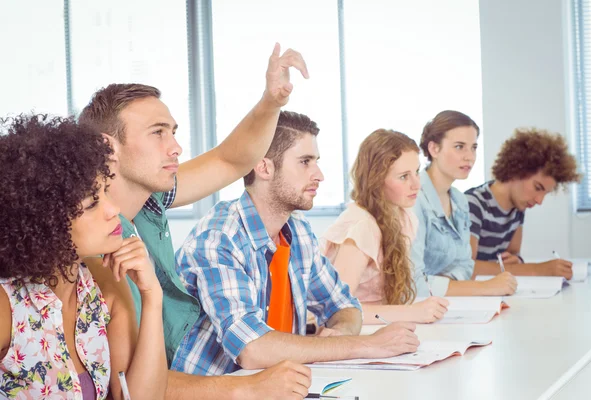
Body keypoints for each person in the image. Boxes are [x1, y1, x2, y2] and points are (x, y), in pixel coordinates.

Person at [78, 44, 314, 399]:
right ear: (107, 147)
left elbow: (231, 160)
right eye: (158, 133)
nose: (176, 147)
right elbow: (130, 387)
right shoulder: (91, 238)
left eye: (173, 131)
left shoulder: (149, 198)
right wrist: (248, 387)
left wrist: (271, 102)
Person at [173, 111, 420, 376]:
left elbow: (344, 304)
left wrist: (340, 334)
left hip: (279, 386)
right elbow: (252, 348)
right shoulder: (220, 238)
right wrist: (365, 345)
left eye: (316, 161)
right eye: (305, 162)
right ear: (264, 167)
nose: (320, 175)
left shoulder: (298, 232)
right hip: (220, 390)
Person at [0, 115, 166, 399]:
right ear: (46, 222)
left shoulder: (104, 281)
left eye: (105, 192)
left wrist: (152, 297)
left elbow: (139, 396)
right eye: (92, 203)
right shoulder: (7, 306)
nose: (113, 210)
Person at [320, 129, 448, 324]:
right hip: (349, 333)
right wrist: (413, 313)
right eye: (404, 176)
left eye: (416, 172)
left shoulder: (406, 218)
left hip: (377, 328)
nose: (416, 184)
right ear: (376, 180)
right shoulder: (361, 225)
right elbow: (336, 310)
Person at [410, 110, 518, 296]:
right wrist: (484, 287)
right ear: (434, 149)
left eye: (473, 147)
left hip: (450, 304)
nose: (470, 156)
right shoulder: (413, 198)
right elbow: (412, 283)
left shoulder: (460, 201)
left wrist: (449, 286)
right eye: (459, 147)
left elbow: (465, 265)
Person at [465, 128, 581, 278]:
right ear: (517, 171)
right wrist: (538, 270)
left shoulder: (517, 209)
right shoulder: (472, 204)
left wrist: (516, 261)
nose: (539, 200)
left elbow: (513, 255)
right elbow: (467, 268)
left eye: (545, 193)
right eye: (537, 188)